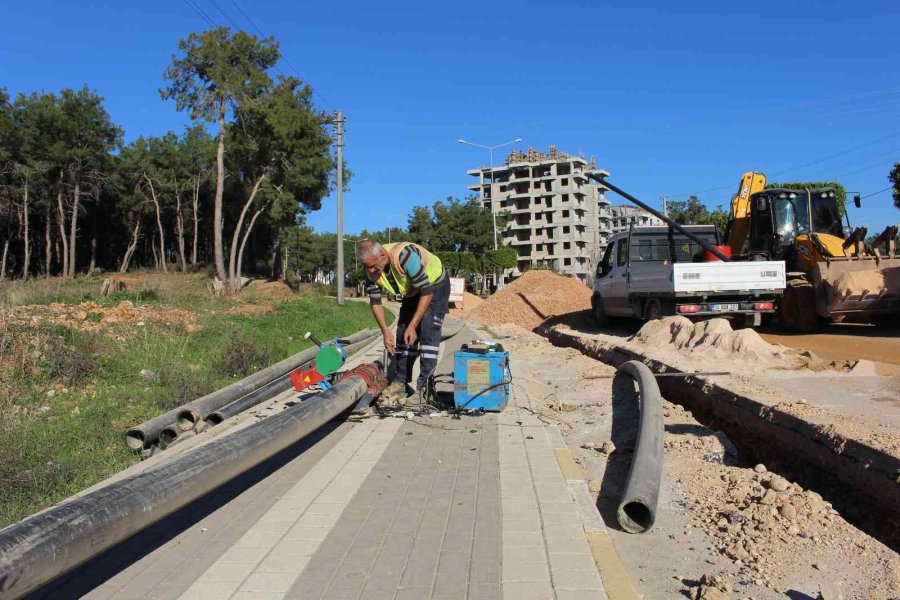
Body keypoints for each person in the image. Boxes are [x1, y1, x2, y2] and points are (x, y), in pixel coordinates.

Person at [357, 239, 450, 405]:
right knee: (402, 334)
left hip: (434, 287)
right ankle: (401, 382)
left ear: (382, 255)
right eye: (367, 267)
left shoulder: (405, 256)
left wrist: (414, 326)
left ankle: (425, 389)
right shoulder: (371, 269)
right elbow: (375, 302)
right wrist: (386, 331)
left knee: (428, 334)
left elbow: (426, 293)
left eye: (373, 266)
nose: (371, 270)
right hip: (412, 291)